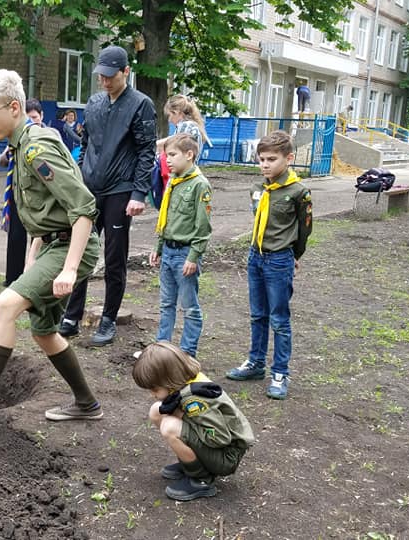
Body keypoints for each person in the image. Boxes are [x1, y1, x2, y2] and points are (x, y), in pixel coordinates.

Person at [0, 69, 103, 431]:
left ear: (14, 107)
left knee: (4, 306)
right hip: (50, 246)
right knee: (43, 333)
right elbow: (42, 211)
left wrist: (70, 268)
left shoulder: (37, 148)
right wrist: (34, 257)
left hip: (72, 247)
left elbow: (83, 208)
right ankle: (87, 403)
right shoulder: (20, 146)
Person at [61, 45, 157, 346]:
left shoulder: (140, 104)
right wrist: (79, 176)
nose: (104, 81)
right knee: (80, 251)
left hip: (120, 191)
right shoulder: (94, 103)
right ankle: (71, 316)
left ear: (125, 72)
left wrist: (138, 193)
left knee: (114, 257)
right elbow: (86, 143)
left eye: (110, 76)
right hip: (91, 189)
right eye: (100, 76)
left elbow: (146, 152)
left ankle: (108, 318)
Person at [225, 130, 313, 400]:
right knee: (257, 315)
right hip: (256, 256)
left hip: (279, 259)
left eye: (272, 159)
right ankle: (255, 363)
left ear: (289, 158)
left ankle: (280, 373)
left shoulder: (298, 192)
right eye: (261, 159)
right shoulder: (257, 189)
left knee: (279, 319)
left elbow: (304, 229)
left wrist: (292, 256)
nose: (265, 164)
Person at [132, 342, 255, 501]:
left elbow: (219, 438)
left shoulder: (195, 400)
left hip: (226, 455)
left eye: (154, 389)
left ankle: (201, 479)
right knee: (157, 410)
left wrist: (182, 416)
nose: (151, 394)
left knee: (170, 428)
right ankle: (190, 464)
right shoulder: (185, 381)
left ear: (169, 380)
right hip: (218, 448)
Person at [149, 134, 212, 358]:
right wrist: (158, 248)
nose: (167, 161)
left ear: (189, 154)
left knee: (189, 307)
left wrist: (193, 257)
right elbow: (166, 219)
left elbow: (203, 226)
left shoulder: (199, 185)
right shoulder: (173, 182)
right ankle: (161, 350)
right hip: (168, 250)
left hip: (185, 253)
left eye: (172, 155)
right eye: (166, 156)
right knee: (166, 304)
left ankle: (187, 354)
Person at [0, 99, 60, 286]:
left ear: (41, 117)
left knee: (41, 235)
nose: (32, 121)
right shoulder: (18, 135)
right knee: (16, 235)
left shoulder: (50, 134)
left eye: (35, 117)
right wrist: (8, 152)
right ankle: (13, 277)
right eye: (29, 118)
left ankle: (38, 275)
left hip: (42, 194)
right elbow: (1, 161)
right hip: (20, 192)